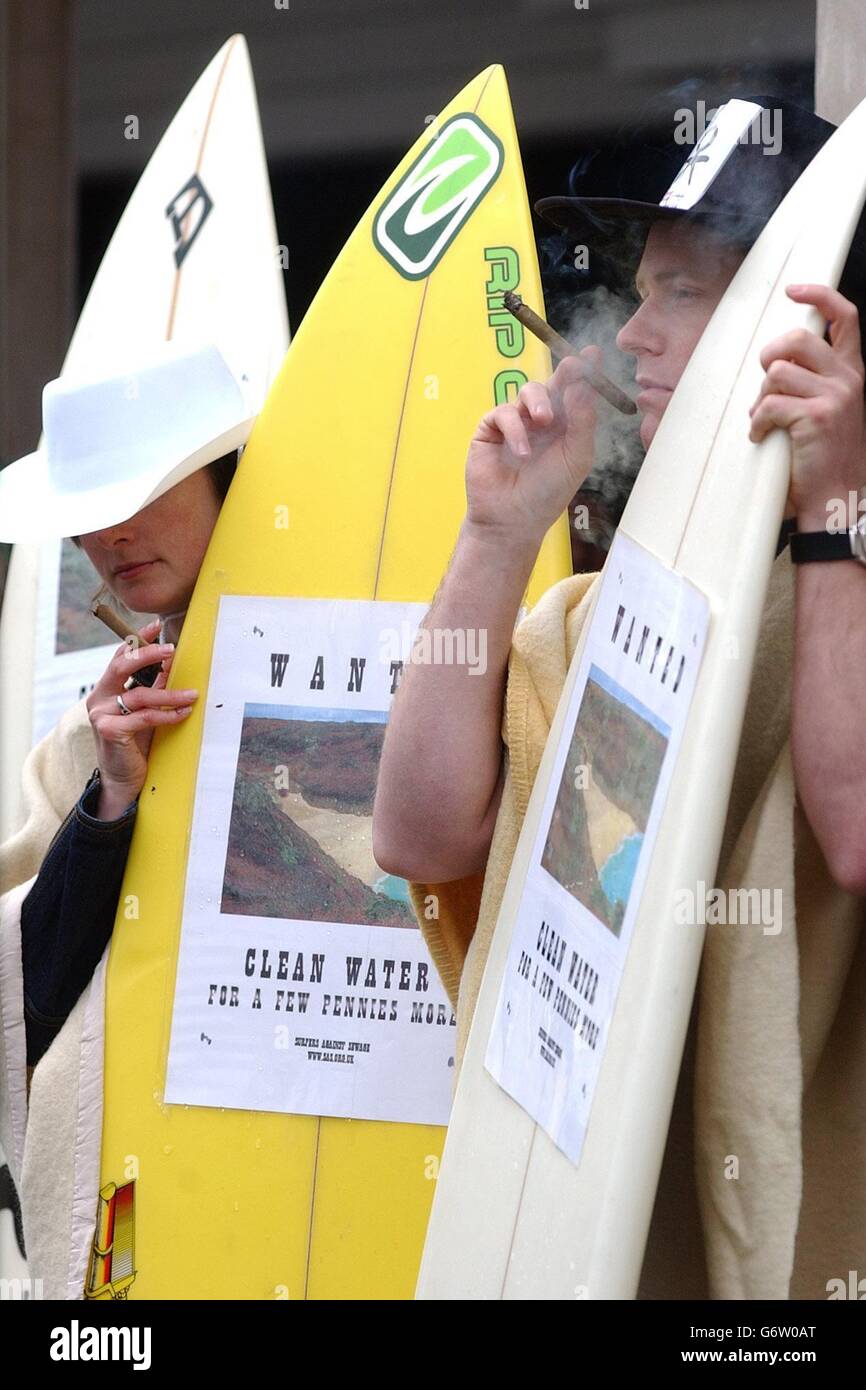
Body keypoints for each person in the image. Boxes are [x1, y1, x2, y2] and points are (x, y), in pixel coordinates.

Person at [373, 96, 866, 1299]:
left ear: (812, 327)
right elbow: (414, 835)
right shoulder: (617, 609)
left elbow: (853, 837)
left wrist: (837, 511)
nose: (630, 335)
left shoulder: (845, 566)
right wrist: (495, 538)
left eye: (685, 294)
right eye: (637, 293)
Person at [0, 339, 254, 1295]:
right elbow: (31, 985)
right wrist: (110, 793)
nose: (110, 539)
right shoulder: (89, 729)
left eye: (140, 497)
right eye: (88, 518)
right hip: (130, 1159)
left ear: (225, 476)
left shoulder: (370, 654)